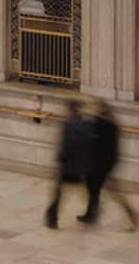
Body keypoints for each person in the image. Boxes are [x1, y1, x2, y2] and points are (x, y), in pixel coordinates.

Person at [49, 97, 134, 229]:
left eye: (96, 106)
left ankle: (54, 217)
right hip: (102, 163)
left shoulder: (95, 124)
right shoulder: (107, 124)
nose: (93, 109)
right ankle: (91, 215)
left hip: (97, 164)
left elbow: (75, 145)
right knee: (95, 190)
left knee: (106, 191)